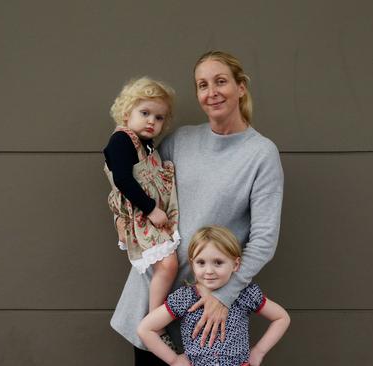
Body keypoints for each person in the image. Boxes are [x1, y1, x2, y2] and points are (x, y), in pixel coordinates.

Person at [111, 51, 284, 365]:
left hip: (205, 308)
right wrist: (122, 221)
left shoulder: (261, 154)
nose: (211, 92)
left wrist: (223, 295)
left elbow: (264, 240)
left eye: (221, 82)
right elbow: (135, 185)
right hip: (152, 298)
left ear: (241, 87)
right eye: (203, 85)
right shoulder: (180, 140)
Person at [138, 226, 290, 366]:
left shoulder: (245, 294)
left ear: (236, 264)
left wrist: (259, 352)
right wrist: (174, 360)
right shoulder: (185, 298)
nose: (209, 270)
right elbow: (145, 329)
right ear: (192, 264)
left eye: (218, 262)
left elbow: (281, 318)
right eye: (201, 262)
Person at [103, 77, 180, 334]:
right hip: (141, 213)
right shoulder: (121, 141)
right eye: (145, 113)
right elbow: (123, 179)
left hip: (149, 213)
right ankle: (154, 325)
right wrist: (151, 209)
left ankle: (153, 320)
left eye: (159, 118)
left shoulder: (145, 143)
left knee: (168, 266)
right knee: (168, 265)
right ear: (127, 113)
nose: (151, 121)